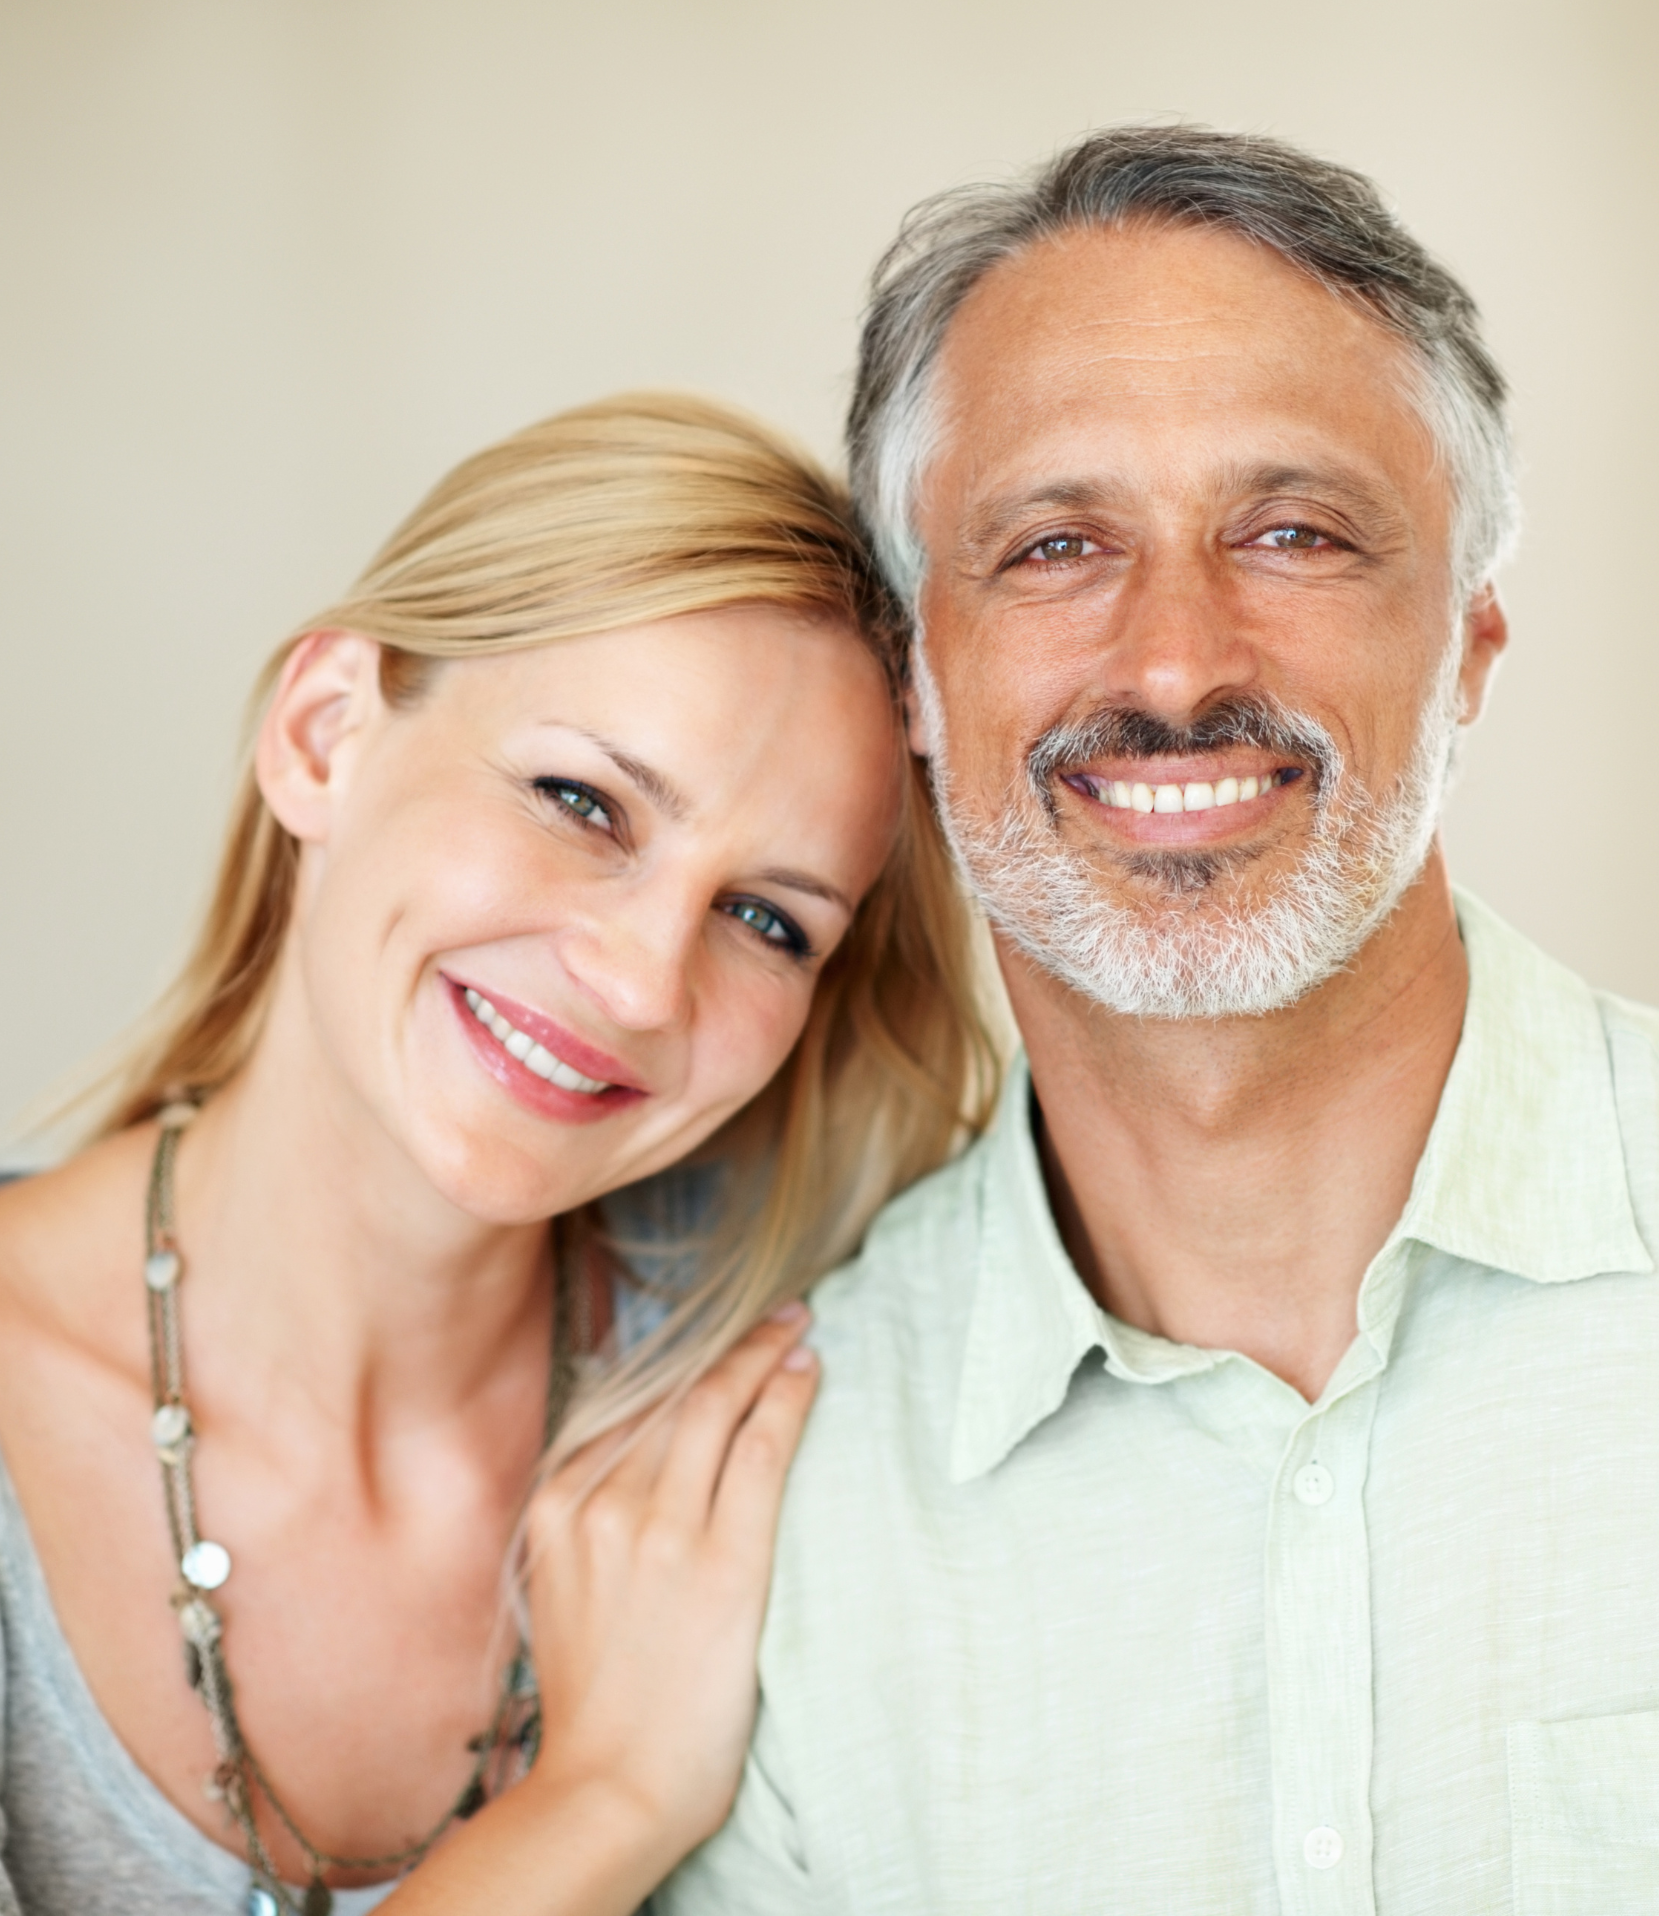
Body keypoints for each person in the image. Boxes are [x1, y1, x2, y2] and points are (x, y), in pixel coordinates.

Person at [661, 127, 1659, 1914]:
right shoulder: (770, 1497)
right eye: (1056, 545)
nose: (1170, 663)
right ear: (915, 671)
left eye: (1292, 533)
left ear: (1467, 649)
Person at [0, 392, 995, 1914]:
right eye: (581, 802)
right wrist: (604, 1801)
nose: (646, 983)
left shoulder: (769, 1413)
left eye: (768, 919)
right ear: (325, 734)